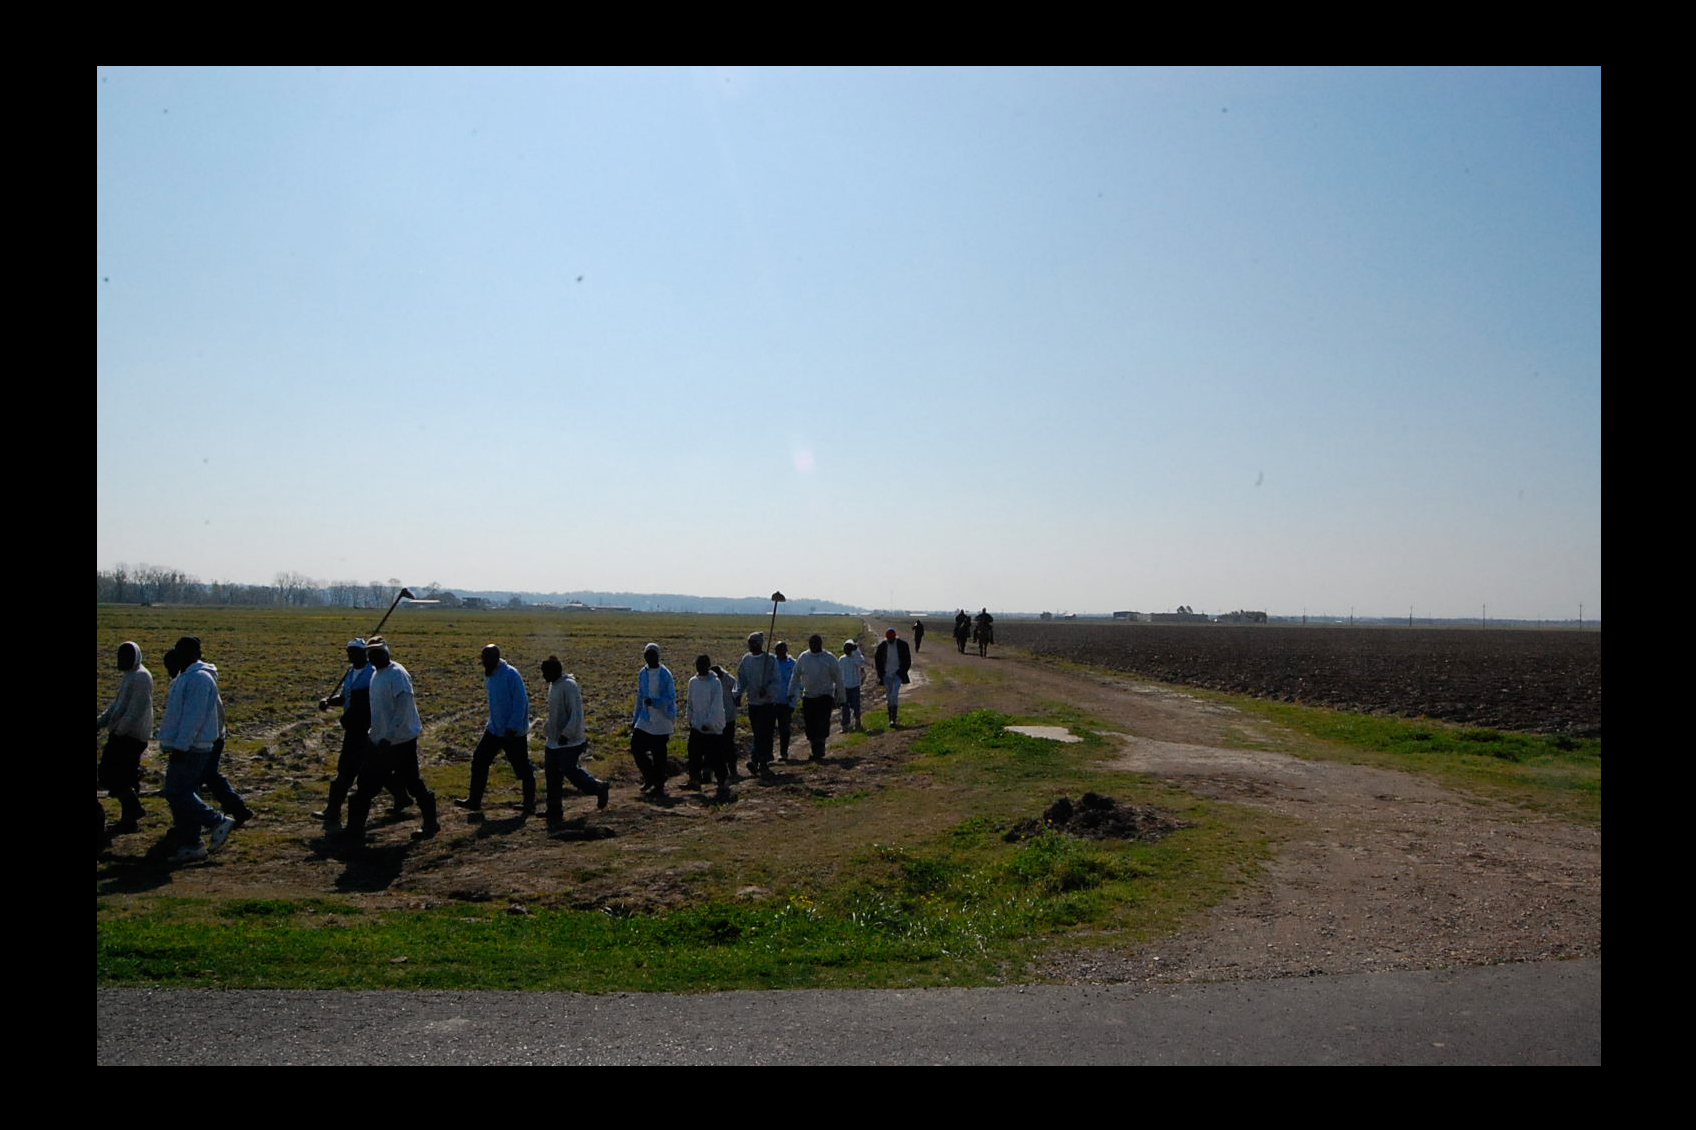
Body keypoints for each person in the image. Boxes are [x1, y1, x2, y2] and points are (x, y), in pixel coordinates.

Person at [345, 637, 439, 843]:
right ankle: (354, 830)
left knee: (412, 781)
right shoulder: (376, 675)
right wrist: (375, 734)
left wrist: (389, 736)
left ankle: (431, 823)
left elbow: (403, 709)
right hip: (378, 738)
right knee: (365, 784)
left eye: (377, 652)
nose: (373, 656)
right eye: (370, 653)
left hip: (400, 740)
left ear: (386, 652)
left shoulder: (398, 675)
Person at [156, 635, 236, 863]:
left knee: (176, 791)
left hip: (193, 747)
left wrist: (181, 745)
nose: (177, 657)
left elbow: (194, 717)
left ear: (192, 653)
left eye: (180, 652)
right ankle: (192, 844)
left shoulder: (200, 679)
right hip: (188, 745)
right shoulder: (189, 677)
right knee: (186, 794)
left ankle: (217, 821)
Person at [315, 638, 411, 827]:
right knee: (369, 767)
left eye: (355, 652)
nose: (350, 655)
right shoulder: (351, 673)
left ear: (364, 653)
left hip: (367, 728)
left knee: (350, 768)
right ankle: (402, 797)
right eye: (348, 652)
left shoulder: (372, 673)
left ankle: (333, 811)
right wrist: (329, 701)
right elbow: (345, 698)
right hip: (353, 727)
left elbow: (370, 703)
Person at [456, 644, 537, 816]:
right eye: (482, 659)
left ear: (495, 658)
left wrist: (513, 726)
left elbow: (521, 702)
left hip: (512, 732)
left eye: (486, 659)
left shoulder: (511, 674)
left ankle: (529, 803)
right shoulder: (490, 675)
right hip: (494, 729)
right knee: (479, 759)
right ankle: (474, 801)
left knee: (522, 767)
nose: (483, 663)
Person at [539, 655, 609, 826]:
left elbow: (576, 714)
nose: (543, 676)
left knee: (570, 771)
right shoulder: (554, 685)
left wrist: (567, 734)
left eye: (545, 672)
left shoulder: (568, 686)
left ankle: (598, 788)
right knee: (552, 774)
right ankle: (554, 808)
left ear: (555, 671)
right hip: (554, 740)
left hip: (569, 741)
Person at [97, 641, 153, 833]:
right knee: (126, 776)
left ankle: (133, 809)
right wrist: (101, 722)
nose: (121, 660)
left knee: (109, 774)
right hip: (125, 733)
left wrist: (118, 732)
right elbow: (117, 706)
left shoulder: (141, 677)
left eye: (126, 656)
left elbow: (135, 711)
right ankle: (129, 819)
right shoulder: (131, 675)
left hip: (131, 735)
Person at [734, 632, 783, 777]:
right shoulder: (746, 660)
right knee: (758, 731)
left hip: (767, 704)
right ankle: (761, 759)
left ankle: (757, 759)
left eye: (753, 643)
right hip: (753, 703)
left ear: (760, 644)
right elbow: (741, 679)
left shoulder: (770, 660)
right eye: (749, 643)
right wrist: (737, 694)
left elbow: (776, 681)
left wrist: (767, 691)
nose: (750, 645)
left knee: (765, 732)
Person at [630, 642, 676, 796]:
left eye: (652, 655)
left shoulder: (665, 674)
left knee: (659, 753)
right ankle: (650, 776)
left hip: (662, 719)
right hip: (645, 717)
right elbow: (640, 696)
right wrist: (635, 718)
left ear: (658, 656)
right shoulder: (642, 673)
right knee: (636, 747)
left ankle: (659, 783)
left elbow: (670, 697)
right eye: (647, 655)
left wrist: (656, 702)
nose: (649, 658)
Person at [790, 634, 844, 760]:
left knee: (823, 722)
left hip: (825, 696)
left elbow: (838, 678)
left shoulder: (829, 658)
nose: (814, 646)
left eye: (816, 643)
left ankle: (819, 749)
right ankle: (814, 747)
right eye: (811, 643)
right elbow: (795, 675)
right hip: (809, 696)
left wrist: (842, 696)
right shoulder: (804, 657)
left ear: (821, 644)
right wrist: (791, 692)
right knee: (810, 724)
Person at [684, 654, 729, 794]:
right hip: (697, 725)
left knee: (716, 755)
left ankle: (722, 782)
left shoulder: (715, 682)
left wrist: (709, 722)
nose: (701, 667)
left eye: (703, 665)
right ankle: (694, 780)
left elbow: (716, 705)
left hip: (711, 727)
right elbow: (690, 702)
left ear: (708, 666)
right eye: (698, 665)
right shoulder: (693, 681)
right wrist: (690, 719)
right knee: (693, 753)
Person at [873, 628, 912, 727]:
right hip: (886, 675)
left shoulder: (902, 645)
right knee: (889, 697)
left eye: (892, 638)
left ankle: (893, 720)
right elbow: (877, 661)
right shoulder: (882, 647)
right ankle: (890, 719)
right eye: (889, 638)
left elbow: (907, 660)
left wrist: (901, 672)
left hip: (897, 675)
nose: (890, 640)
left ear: (895, 637)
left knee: (894, 695)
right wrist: (881, 674)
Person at [711, 663, 739, 780]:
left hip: (728, 717)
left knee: (728, 744)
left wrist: (736, 702)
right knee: (717, 745)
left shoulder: (729, 680)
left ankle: (732, 769)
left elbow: (737, 694)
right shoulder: (710, 680)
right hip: (716, 719)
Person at [772, 641, 797, 762]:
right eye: (778, 649)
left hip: (786, 703)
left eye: (782, 649)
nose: (780, 651)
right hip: (771, 702)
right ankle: (768, 753)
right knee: (769, 729)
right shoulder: (771, 663)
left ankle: (784, 753)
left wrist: (793, 703)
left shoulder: (792, 664)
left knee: (784, 729)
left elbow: (796, 684)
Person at [838, 639, 866, 733]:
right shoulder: (842, 659)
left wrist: (856, 651)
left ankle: (857, 722)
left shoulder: (856, 659)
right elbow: (839, 674)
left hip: (854, 686)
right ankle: (845, 725)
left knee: (856, 706)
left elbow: (861, 663)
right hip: (846, 686)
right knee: (845, 707)